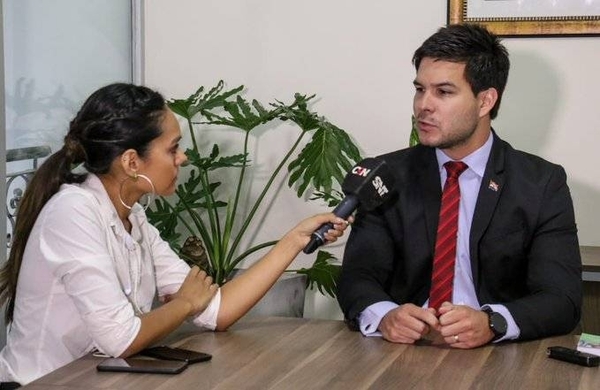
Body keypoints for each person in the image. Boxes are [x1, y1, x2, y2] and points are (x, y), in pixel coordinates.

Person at [0, 83, 350, 386]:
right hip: (42, 383)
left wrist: (293, 241)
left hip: (99, 380)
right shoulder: (73, 212)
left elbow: (216, 310)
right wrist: (184, 303)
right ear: (132, 162)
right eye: (172, 148)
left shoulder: (132, 217)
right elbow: (121, 340)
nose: (182, 158)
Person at [337, 24, 582, 349]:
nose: (424, 105)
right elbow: (358, 277)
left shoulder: (541, 183)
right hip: (402, 353)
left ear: (485, 101)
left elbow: (561, 300)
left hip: (497, 357)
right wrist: (385, 316)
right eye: (419, 89)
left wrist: (493, 322)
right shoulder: (388, 175)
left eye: (444, 92)